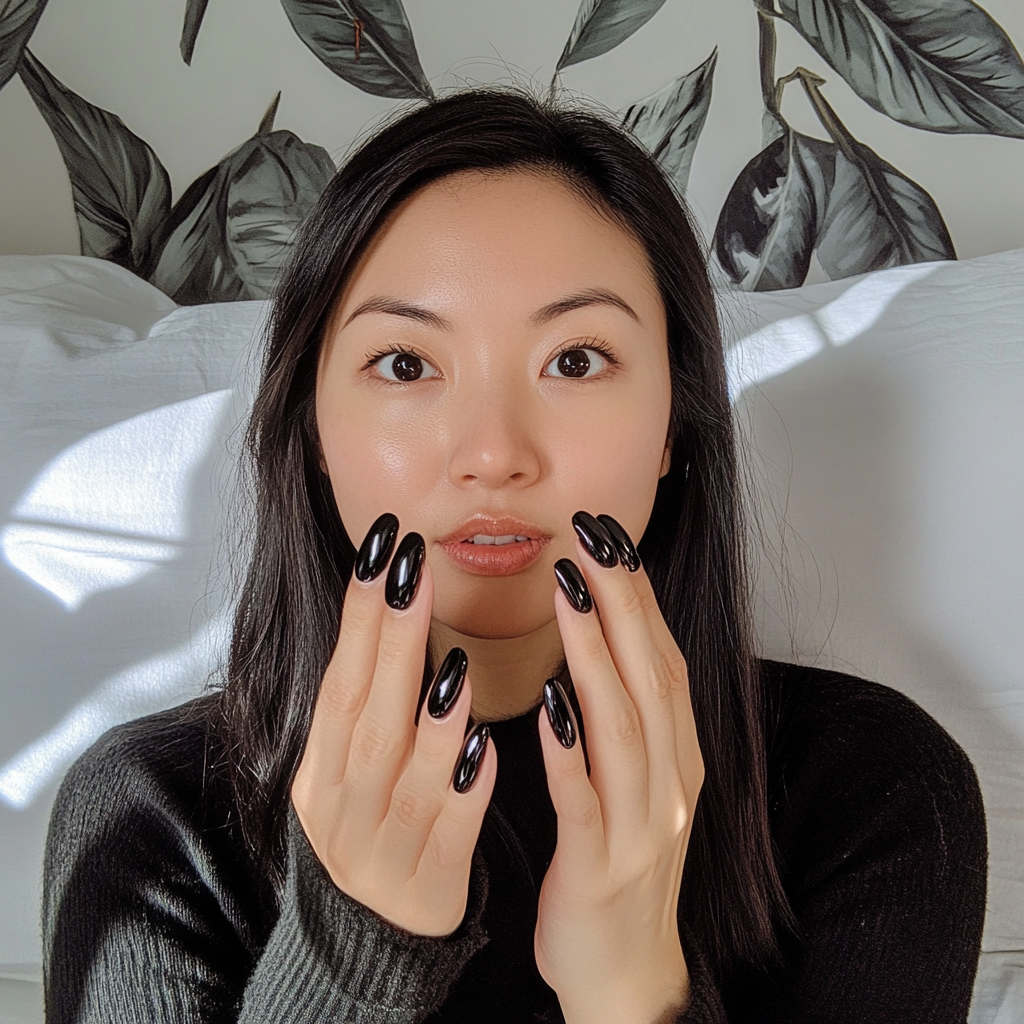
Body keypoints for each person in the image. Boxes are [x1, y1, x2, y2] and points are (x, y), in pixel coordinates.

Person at [41, 88, 987, 1024]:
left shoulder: (880, 793)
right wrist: (349, 961)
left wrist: (631, 989)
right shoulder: (146, 817)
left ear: (673, 425)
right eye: (406, 365)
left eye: (575, 361)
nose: (493, 455)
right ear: (314, 429)